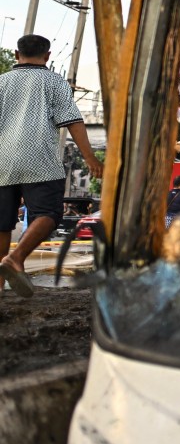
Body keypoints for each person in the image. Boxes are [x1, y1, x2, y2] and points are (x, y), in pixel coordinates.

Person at [0, 34, 104, 296]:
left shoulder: (1, 83)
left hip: (2, 162)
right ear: (47, 56)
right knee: (49, 213)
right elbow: (72, 121)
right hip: (40, 160)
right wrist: (90, 158)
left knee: (1, 225)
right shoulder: (54, 82)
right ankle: (17, 257)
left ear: (16, 54)